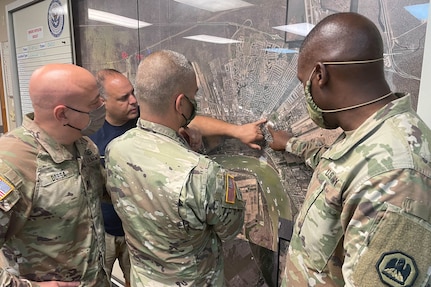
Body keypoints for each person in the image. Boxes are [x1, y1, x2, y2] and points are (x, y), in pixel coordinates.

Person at [268, 12, 431, 286]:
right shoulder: (369, 133)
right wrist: (289, 144)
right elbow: (341, 168)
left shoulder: (397, 176)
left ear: (320, 75)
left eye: (302, 81)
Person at [90, 68, 266, 286]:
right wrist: (192, 158)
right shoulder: (204, 174)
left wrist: (236, 131)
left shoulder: (115, 148)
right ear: (180, 103)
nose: (132, 101)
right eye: (123, 97)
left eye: (133, 93)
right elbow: (229, 229)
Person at [0, 63, 110, 286]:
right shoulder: (12, 164)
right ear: (62, 114)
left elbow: (105, 192)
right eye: (94, 104)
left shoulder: (83, 146)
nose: (102, 106)